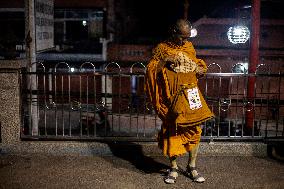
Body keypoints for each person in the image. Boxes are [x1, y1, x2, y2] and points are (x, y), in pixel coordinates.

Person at [144, 19, 214, 184]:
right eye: (182, 37)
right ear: (173, 32)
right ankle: (174, 167)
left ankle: (192, 166)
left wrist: (200, 69)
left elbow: (195, 65)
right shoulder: (162, 48)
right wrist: (165, 60)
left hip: (191, 93)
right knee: (172, 129)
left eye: (187, 37)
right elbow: (151, 70)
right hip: (171, 96)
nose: (185, 41)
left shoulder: (189, 47)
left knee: (195, 128)